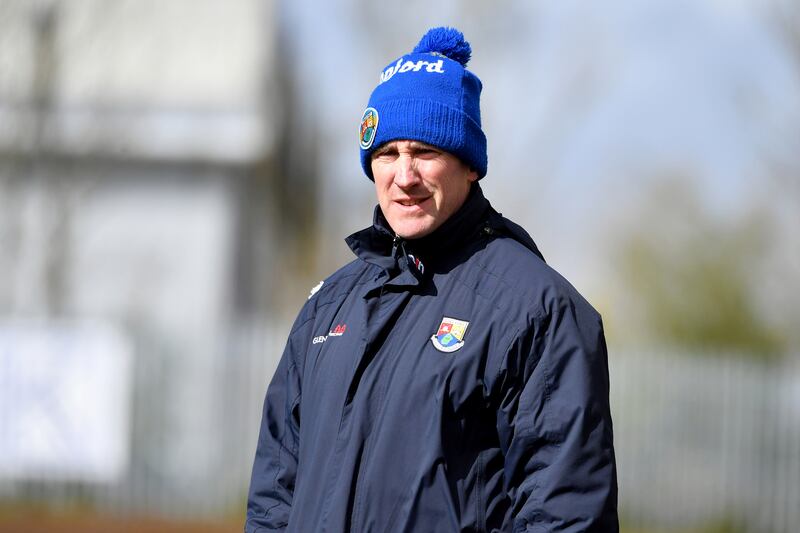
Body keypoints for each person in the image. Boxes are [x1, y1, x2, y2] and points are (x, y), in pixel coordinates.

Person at [245, 27, 618, 532]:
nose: (404, 175)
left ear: (469, 166)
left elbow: (566, 514)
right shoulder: (328, 307)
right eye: (386, 153)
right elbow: (274, 495)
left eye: (424, 151)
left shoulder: (537, 311)